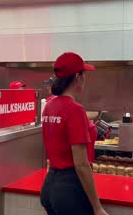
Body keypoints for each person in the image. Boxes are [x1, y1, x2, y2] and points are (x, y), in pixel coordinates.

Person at [40, 52, 108, 215]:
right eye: (84, 74)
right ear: (78, 76)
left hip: (50, 185)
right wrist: (97, 207)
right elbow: (81, 164)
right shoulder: (74, 109)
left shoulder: (50, 105)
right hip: (71, 190)